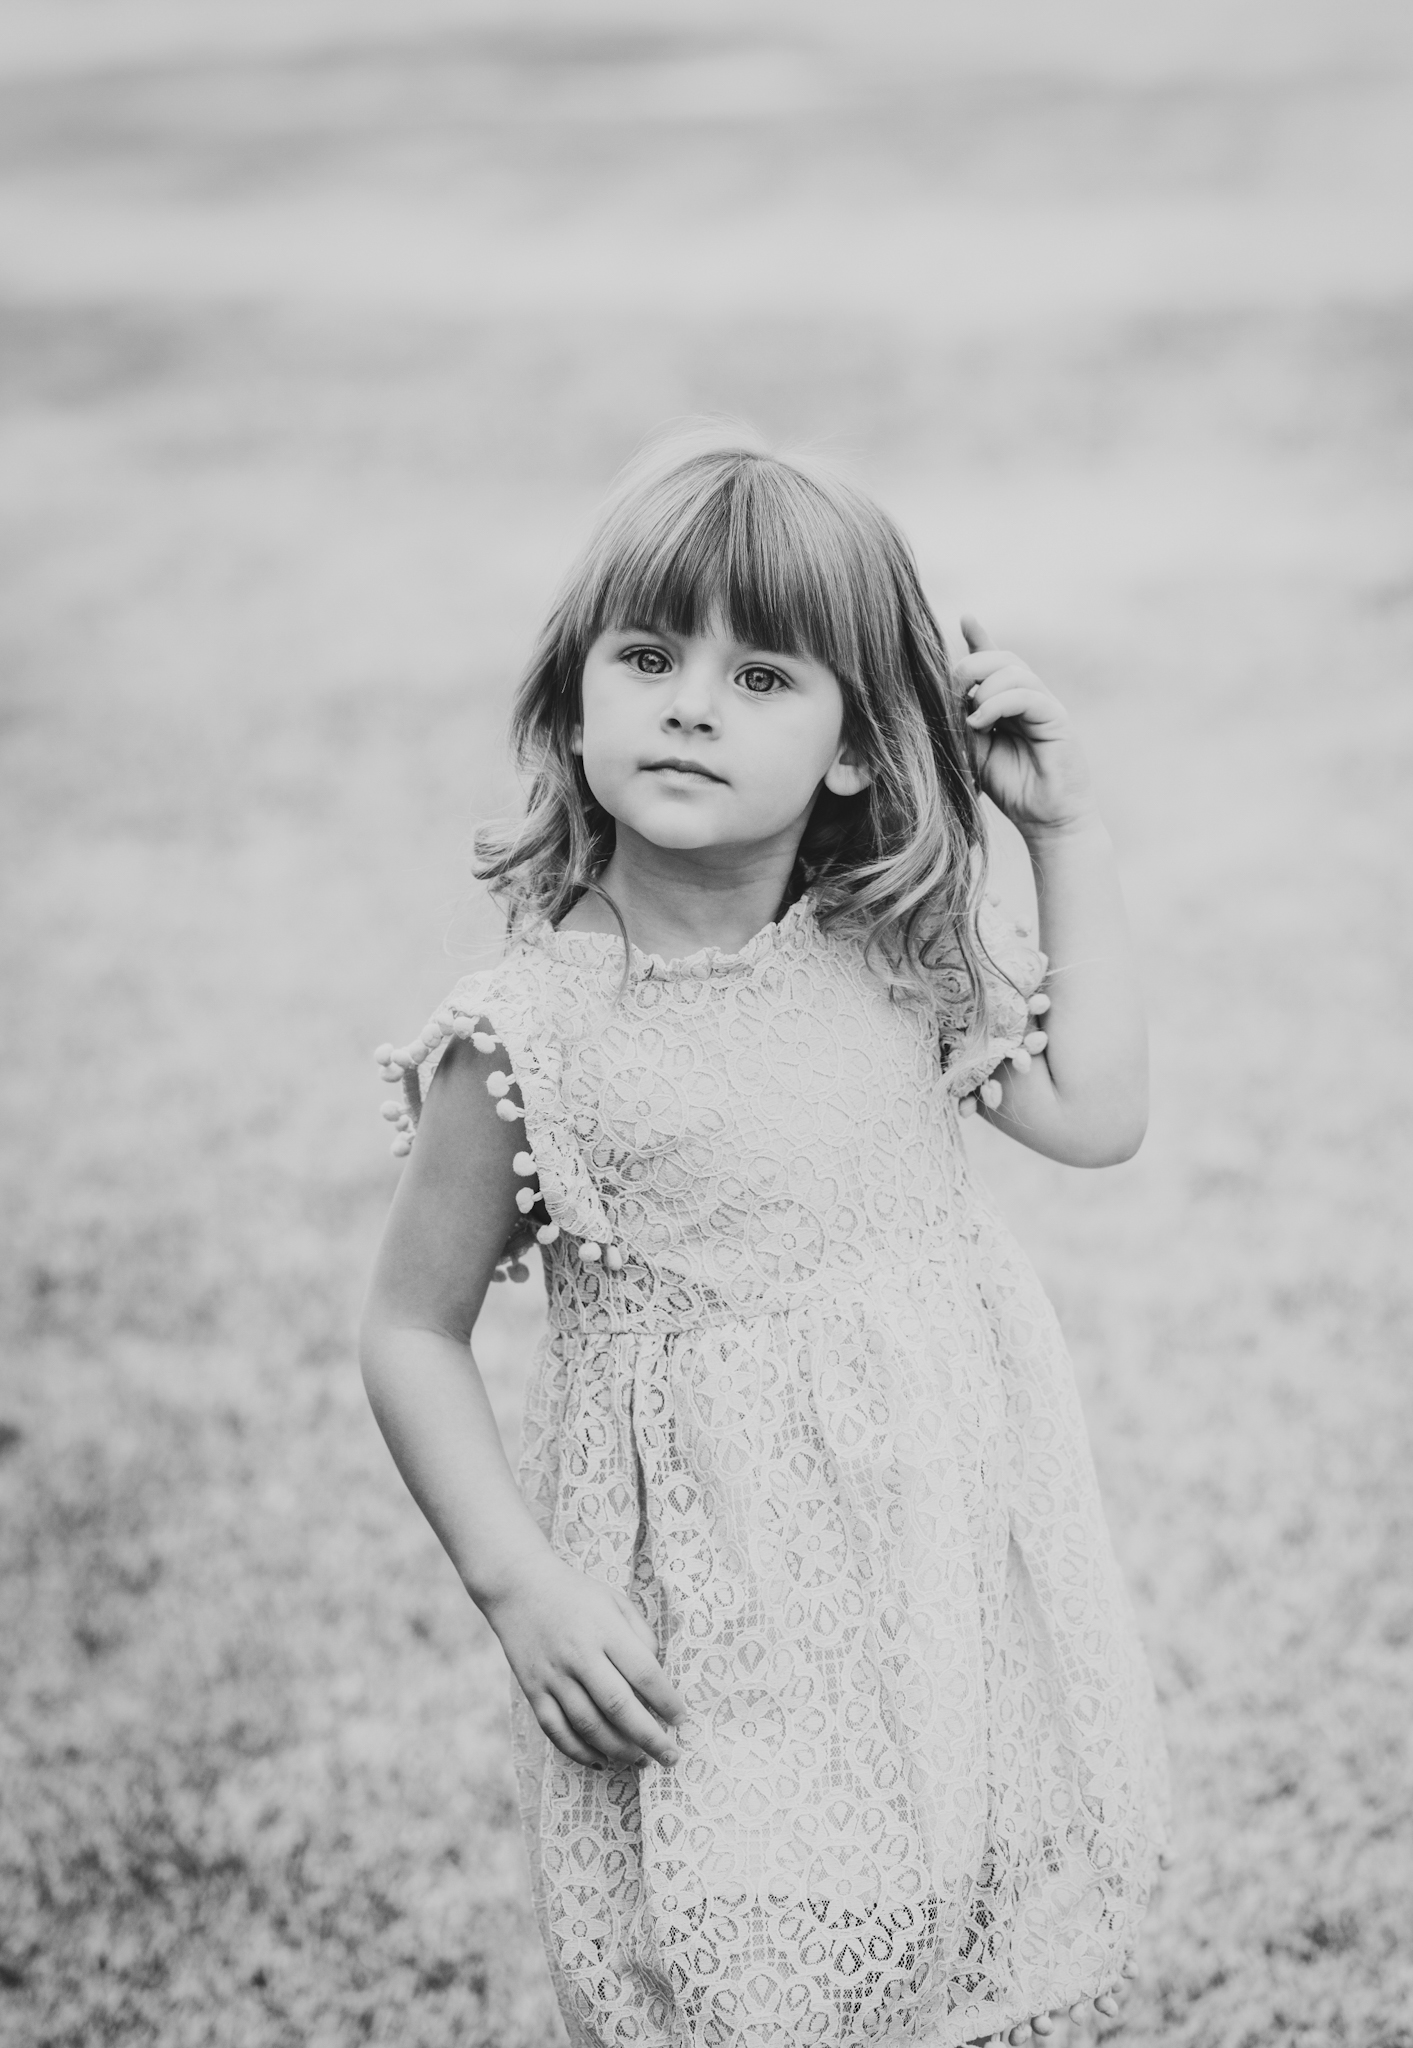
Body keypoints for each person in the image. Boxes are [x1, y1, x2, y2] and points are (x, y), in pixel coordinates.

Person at [359, 433, 1172, 2048]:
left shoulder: (889, 957)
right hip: (714, 1627)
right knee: (760, 1979)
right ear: (572, 703)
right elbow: (408, 1327)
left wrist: (1059, 834)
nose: (689, 703)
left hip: (936, 1580)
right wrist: (516, 1583)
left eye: (760, 674)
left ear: (861, 748)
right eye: (649, 657)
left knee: (952, 1939)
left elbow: (1097, 1112)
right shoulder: (529, 1039)